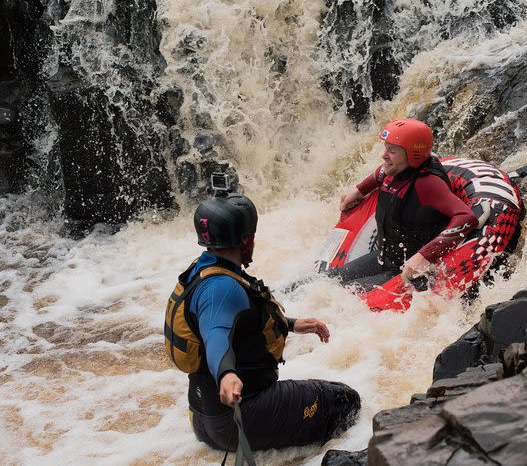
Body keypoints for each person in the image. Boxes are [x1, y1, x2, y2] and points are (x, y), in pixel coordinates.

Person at [164, 190, 360, 454]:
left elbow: (236, 322)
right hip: (237, 422)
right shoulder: (222, 288)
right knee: (346, 400)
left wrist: (290, 324)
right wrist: (226, 374)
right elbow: (215, 335)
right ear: (246, 240)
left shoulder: (204, 269)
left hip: (202, 419)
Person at [334, 118, 480, 292]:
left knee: (342, 294)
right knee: (326, 281)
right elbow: (379, 173)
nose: (384, 155)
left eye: (392, 150)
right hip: (384, 257)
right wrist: (358, 191)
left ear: (412, 154)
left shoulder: (427, 183)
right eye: (385, 148)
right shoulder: (397, 168)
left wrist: (424, 256)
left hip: (406, 269)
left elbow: (467, 217)